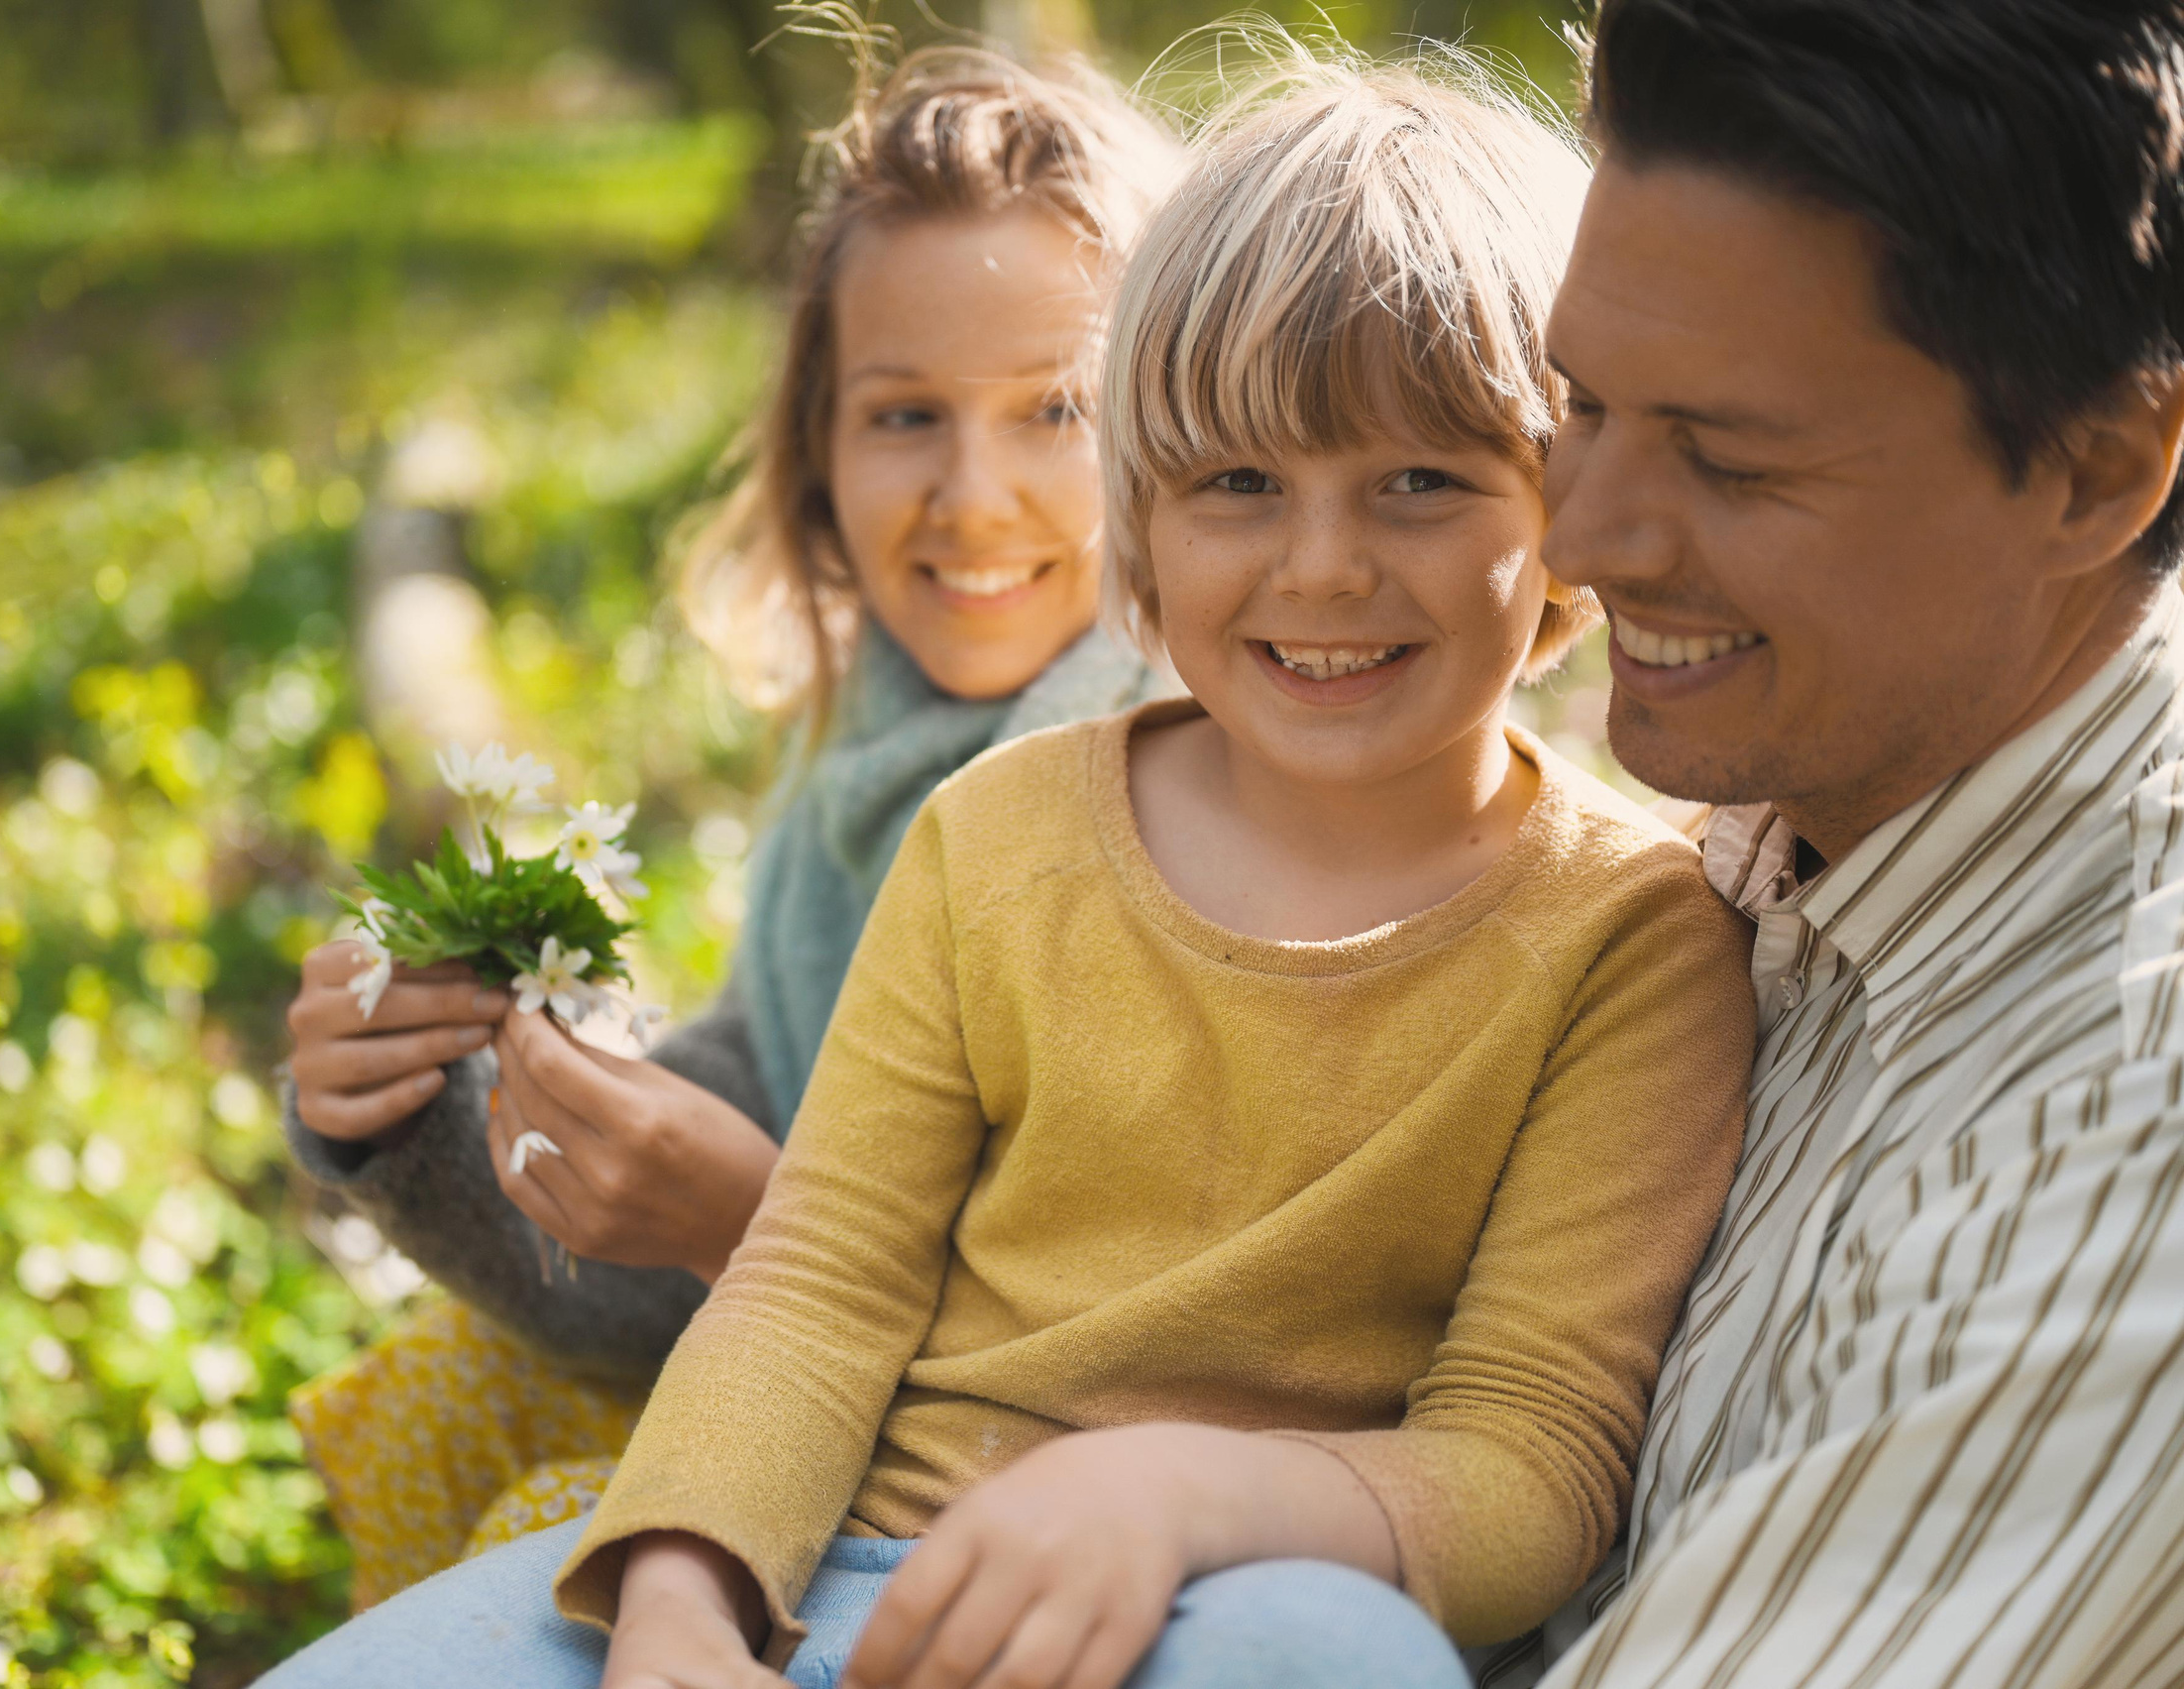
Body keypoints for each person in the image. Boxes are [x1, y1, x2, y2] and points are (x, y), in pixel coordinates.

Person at [264, 53, 1757, 1689]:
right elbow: (818, 1282)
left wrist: (1179, 1498)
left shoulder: (1637, 933)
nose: (1324, 565)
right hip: (842, 1561)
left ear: (1568, 515)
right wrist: (686, 1592)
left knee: (1338, 1657)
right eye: (1240, 482)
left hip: (1228, 1598)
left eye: (1421, 481)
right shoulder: (994, 834)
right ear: (1144, 517)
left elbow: (1530, 1461)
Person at [1255, 2, 2184, 1684]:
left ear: (2094, 473)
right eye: (1582, 402)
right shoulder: (1767, 815)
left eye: (1732, 459)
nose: (1584, 534)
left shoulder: (2125, 1117)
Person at [275, 46, 1185, 1608]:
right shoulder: (874, 739)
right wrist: (427, 1105)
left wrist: (749, 1225)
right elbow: (755, 1086)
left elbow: (1130, 1329)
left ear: (1187, 421)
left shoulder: (1160, 788)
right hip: (810, 1366)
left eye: (1058, 410)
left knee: (563, 1539)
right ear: (818, 458)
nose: (972, 498)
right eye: (905, 416)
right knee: (435, 1394)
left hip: (1046, 1491)